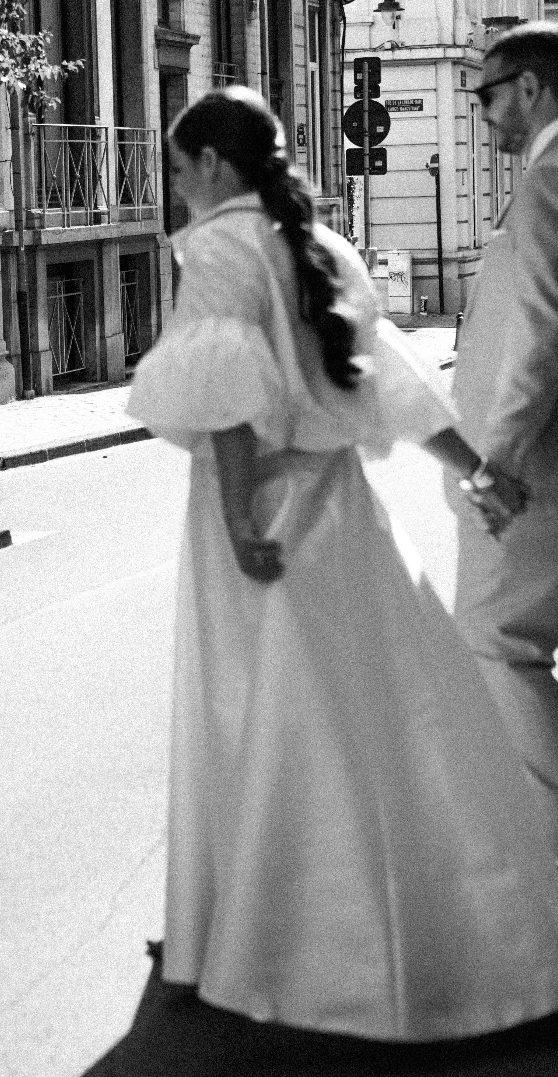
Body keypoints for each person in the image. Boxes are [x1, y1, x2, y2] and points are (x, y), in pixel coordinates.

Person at [107, 88, 558, 1052]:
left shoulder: (222, 246)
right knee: (383, 706)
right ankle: (465, 926)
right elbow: (389, 377)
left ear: (215, 168)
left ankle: (289, 942)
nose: (177, 186)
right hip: (342, 506)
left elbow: (228, 391)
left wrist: (234, 512)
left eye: (181, 168)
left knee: (261, 709)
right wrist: (476, 468)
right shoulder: (319, 245)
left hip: (263, 505)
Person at [453, 21, 558, 843]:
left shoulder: (549, 181)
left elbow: (542, 331)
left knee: (498, 641)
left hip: (537, 475)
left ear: (528, 90)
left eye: (486, 94)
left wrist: (501, 461)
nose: (481, 111)